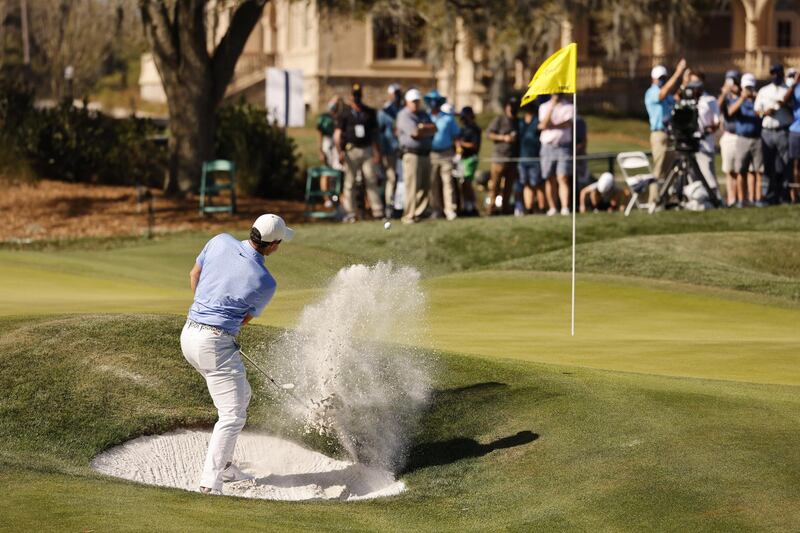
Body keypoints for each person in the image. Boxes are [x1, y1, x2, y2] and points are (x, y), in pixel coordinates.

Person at [182, 214, 293, 495]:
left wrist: (205, 310)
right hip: (214, 344)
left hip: (188, 335)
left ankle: (227, 465)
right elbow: (243, 319)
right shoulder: (265, 281)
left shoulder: (219, 240)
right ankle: (211, 482)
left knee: (242, 395)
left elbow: (194, 275)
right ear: (274, 245)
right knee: (232, 415)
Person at [334, 82, 383, 222]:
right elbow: (337, 135)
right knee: (349, 182)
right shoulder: (345, 114)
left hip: (366, 149)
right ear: (350, 97)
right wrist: (340, 152)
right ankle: (350, 212)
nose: (356, 98)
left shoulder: (369, 112)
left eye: (358, 95)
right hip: (351, 150)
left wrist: (377, 152)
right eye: (354, 95)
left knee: (371, 180)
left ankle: (377, 211)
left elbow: (375, 135)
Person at [645, 60, 687, 196]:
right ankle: (654, 200)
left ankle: (666, 199)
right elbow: (662, 94)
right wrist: (678, 73)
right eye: (660, 78)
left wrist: (684, 83)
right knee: (659, 169)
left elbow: (675, 99)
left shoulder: (667, 93)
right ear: (653, 79)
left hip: (670, 134)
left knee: (670, 170)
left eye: (664, 78)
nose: (662, 80)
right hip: (659, 135)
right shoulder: (651, 92)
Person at [395, 88, 437, 224]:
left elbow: (435, 128)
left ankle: (419, 212)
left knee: (425, 186)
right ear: (407, 102)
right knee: (412, 186)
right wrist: (425, 129)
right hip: (411, 154)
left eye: (417, 101)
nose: (416, 104)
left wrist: (422, 127)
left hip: (425, 154)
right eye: (413, 101)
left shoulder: (423, 115)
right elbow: (414, 133)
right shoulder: (404, 115)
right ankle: (409, 215)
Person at [755, 64, 793, 204]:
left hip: (783, 130)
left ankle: (784, 195)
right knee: (769, 165)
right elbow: (757, 110)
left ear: (782, 74)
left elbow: (793, 108)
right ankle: (770, 195)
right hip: (767, 132)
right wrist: (765, 112)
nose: (775, 76)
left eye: (777, 73)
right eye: (772, 73)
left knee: (784, 164)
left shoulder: (788, 90)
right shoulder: (764, 91)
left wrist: (784, 104)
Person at [729, 73, 763, 205]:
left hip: (757, 138)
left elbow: (761, 114)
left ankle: (757, 198)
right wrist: (742, 99)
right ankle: (742, 199)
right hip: (742, 139)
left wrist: (756, 100)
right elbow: (731, 112)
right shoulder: (737, 100)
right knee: (741, 171)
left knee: (758, 171)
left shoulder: (758, 100)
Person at [426, 90, 460, 220]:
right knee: (433, 183)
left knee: (448, 182)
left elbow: (456, 135)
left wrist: (458, 151)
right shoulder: (426, 117)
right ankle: (436, 209)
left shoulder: (448, 118)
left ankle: (450, 210)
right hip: (431, 153)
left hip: (446, 152)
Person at [687, 71, 721, 199]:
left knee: (709, 176)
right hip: (690, 145)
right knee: (692, 177)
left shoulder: (710, 100)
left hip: (705, 145)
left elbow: (717, 123)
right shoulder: (686, 100)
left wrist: (707, 130)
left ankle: (716, 200)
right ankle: (695, 200)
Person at [538, 93, 574, 215]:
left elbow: (568, 123)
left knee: (562, 177)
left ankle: (564, 207)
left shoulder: (569, 106)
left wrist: (552, 125)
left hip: (563, 147)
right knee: (549, 178)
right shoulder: (544, 107)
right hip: (548, 146)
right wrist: (552, 107)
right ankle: (552, 208)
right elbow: (543, 124)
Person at [486, 96, 520, 215]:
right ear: (507, 107)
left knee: (508, 188)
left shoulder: (517, 121)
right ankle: (491, 209)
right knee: (494, 186)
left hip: (512, 159)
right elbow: (488, 134)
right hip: (499, 159)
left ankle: (505, 209)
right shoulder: (499, 119)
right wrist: (503, 138)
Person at [719, 70, 743, 206]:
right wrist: (724, 92)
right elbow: (718, 108)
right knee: (729, 171)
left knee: (740, 171)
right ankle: (731, 198)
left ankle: (740, 198)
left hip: (741, 137)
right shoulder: (725, 98)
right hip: (728, 137)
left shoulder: (743, 95)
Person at [378, 84, 403, 217]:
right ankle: (389, 205)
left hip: (404, 150)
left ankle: (402, 205)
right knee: (391, 177)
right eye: (395, 94)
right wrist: (381, 151)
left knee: (403, 179)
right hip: (390, 150)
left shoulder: (404, 109)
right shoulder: (385, 112)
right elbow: (380, 133)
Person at [516, 101, 544, 215]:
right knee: (526, 183)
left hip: (535, 158)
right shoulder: (521, 122)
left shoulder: (537, 120)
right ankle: (529, 208)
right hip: (523, 157)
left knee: (537, 184)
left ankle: (542, 208)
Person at [316, 97, 343, 208]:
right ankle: (326, 199)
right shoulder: (325, 118)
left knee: (337, 173)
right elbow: (320, 135)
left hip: (337, 146)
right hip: (328, 145)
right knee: (326, 172)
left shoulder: (340, 117)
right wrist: (320, 150)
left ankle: (336, 196)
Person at [455, 106, 481, 216]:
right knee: (463, 184)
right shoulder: (463, 128)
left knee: (467, 183)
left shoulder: (475, 129)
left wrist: (461, 143)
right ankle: (466, 206)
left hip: (470, 159)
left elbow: (474, 145)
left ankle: (472, 206)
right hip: (462, 159)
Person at [783, 66, 800, 203]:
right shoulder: (795, 88)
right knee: (795, 164)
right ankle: (795, 195)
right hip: (796, 131)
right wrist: (794, 83)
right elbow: (785, 99)